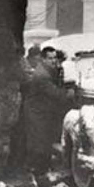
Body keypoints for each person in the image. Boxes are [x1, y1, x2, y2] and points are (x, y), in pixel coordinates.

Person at [23, 46, 74, 175]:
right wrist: (68, 93)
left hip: (41, 111)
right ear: (43, 59)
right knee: (41, 142)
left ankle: (40, 169)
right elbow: (54, 93)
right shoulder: (42, 75)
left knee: (42, 141)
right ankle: (39, 172)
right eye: (50, 58)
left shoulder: (46, 70)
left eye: (54, 58)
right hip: (38, 113)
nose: (53, 61)